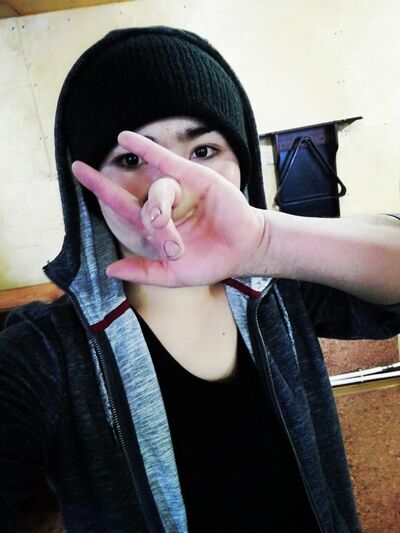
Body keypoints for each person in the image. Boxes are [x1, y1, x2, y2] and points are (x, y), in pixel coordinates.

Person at [0, 26, 399, 533]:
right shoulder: (45, 353)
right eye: (130, 159)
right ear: (89, 189)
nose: (170, 188)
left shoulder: (278, 287)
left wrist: (265, 241)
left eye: (204, 152)